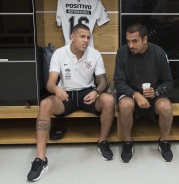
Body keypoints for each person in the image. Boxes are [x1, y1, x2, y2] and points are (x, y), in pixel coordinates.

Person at [27, 24, 115, 182]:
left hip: (87, 93)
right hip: (65, 95)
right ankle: (41, 159)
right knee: (45, 104)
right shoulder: (59, 53)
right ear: (72, 37)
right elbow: (50, 83)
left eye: (88, 37)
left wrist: (96, 92)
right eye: (82, 37)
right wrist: (55, 89)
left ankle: (102, 142)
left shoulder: (94, 54)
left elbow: (103, 81)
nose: (86, 40)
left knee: (108, 100)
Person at [113, 23, 174, 163]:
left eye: (135, 41)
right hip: (131, 93)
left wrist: (157, 92)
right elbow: (118, 81)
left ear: (145, 39)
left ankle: (164, 141)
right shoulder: (122, 53)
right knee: (125, 105)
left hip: (153, 93)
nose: (130, 45)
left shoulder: (158, 52)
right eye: (128, 41)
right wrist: (135, 94)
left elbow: (169, 82)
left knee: (166, 107)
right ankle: (128, 142)